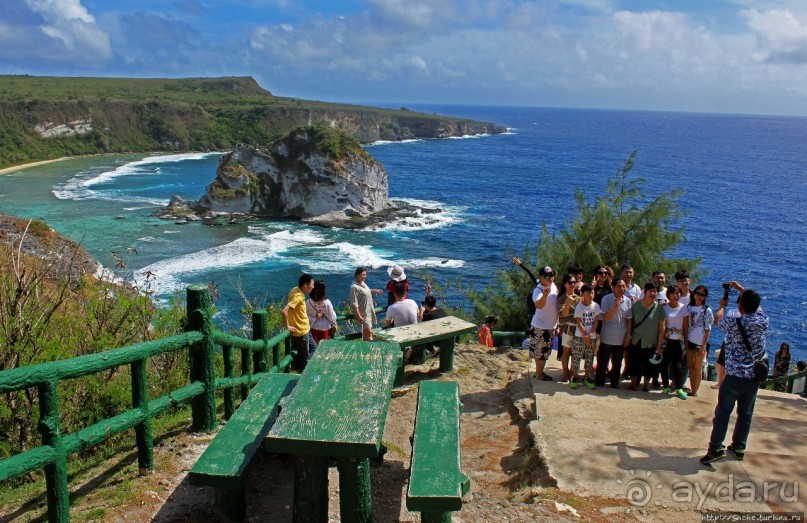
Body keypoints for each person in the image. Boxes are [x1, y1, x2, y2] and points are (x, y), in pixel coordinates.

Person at [701, 283, 768, 465]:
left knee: (723, 412)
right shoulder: (762, 320)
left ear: (740, 306)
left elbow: (717, 320)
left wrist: (722, 305)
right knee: (745, 413)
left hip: (734, 376)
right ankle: (739, 446)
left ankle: (715, 448)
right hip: (753, 377)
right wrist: (741, 289)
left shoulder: (736, 321)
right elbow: (755, 304)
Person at [628, 283, 666, 392]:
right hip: (636, 340)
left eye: (655, 291)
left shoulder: (659, 309)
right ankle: (633, 384)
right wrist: (628, 336)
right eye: (650, 291)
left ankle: (645, 386)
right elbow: (630, 322)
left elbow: (662, 328)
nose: (652, 293)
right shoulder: (636, 306)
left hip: (651, 342)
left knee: (649, 365)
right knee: (634, 363)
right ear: (645, 293)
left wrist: (659, 345)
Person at [596, 277, 633, 388]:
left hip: (621, 337)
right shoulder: (606, 299)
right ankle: (599, 382)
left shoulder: (627, 300)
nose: (622, 288)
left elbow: (629, 320)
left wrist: (629, 335)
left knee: (617, 363)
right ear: (613, 287)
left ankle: (614, 383)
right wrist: (615, 308)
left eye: (623, 286)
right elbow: (605, 317)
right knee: (603, 361)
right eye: (619, 286)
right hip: (607, 336)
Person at [529, 265, 559, 381]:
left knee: (545, 351)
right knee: (539, 352)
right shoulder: (538, 290)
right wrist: (545, 295)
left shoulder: (552, 285)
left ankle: (539, 372)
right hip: (540, 326)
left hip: (551, 325)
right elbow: (539, 305)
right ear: (541, 277)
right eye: (548, 276)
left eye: (552, 275)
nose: (551, 278)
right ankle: (539, 373)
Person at [282, 274, 317, 372]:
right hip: (301, 332)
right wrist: (287, 326)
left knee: (313, 350)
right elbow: (284, 311)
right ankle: (302, 376)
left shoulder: (295, 290)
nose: (313, 287)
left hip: (305, 330)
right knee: (305, 358)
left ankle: (300, 369)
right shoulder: (298, 297)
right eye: (312, 284)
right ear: (305, 285)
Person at [569, 284, 601, 390]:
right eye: (588, 293)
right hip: (580, 335)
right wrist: (585, 335)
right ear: (583, 294)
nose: (591, 295)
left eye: (592, 293)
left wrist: (591, 334)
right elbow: (579, 322)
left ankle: (587, 378)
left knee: (589, 357)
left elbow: (596, 322)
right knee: (576, 356)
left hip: (591, 336)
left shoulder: (596, 306)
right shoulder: (579, 306)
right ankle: (574, 377)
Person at [661, 284, 689, 399]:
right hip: (666, 340)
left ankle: (679, 388)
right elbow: (661, 326)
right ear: (669, 295)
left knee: (677, 365)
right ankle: (666, 387)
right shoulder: (664, 307)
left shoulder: (684, 308)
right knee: (664, 364)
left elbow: (686, 326)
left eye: (678, 293)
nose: (676, 295)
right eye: (673, 293)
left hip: (678, 340)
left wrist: (686, 342)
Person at [686, 285, 714, 397]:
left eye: (702, 294)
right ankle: (692, 388)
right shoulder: (689, 307)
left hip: (699, 343)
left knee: (697, 368)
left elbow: (708, 329)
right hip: (689, 340)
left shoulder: (707, 310)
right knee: (691, 366)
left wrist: (703, 345)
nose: (699, 296)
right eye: (697, 293)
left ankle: (694, 391)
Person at [556, 273, 580, 382]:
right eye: (570, 282)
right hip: (567, 329)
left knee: (576, 353)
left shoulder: (579, 297)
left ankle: (572, 373)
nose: (572, 284)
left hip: (578, 329)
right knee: (566, 352)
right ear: (565, 284)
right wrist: (568, 303)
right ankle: (565, 374)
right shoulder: (562, 298)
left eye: (574, 282)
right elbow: (562, 315)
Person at [349, 266, 383, 341]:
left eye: (365, 274)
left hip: (368, 313)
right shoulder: (354, 287)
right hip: (363, 315)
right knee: (369, 333)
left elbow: (366, 292)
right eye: (362, 274)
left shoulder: (362, 283)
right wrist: (359, 316)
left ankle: (367, 350)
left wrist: (375, 290)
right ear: (357, 275)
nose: (364, 276)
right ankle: (369, 350)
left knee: (368, 334)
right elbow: (354, 303)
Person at [306, 279, 338, 343]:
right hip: (325, 329)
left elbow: (307, 315)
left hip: (313, 328)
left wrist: (315, 318)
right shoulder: (327, 302)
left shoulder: (308, 302)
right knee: (324, 348)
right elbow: (331, 317)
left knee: (314, 348)